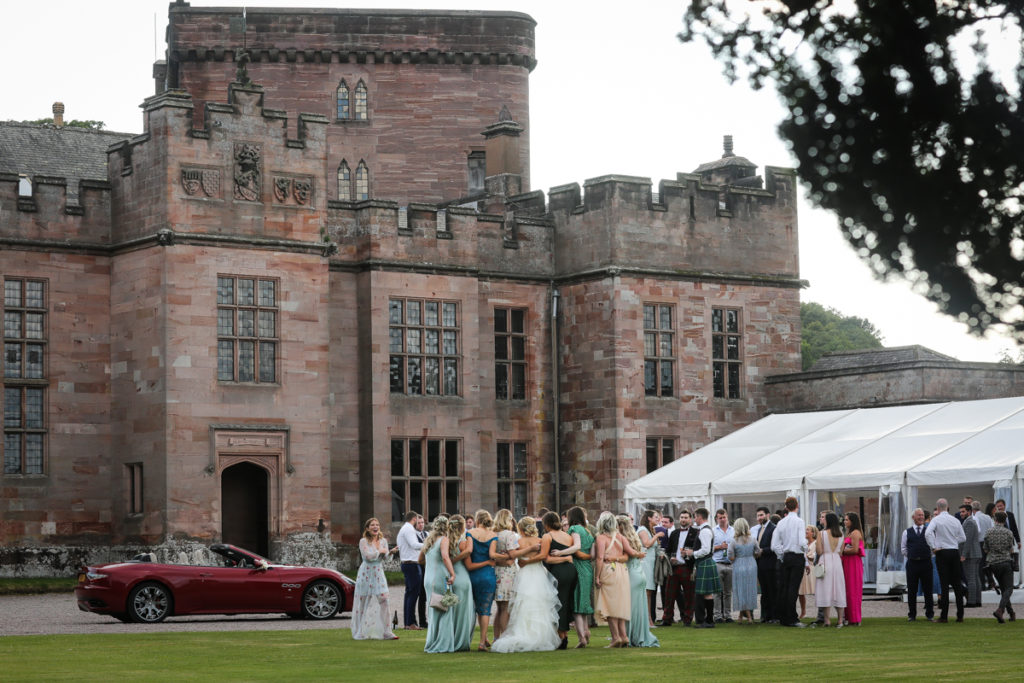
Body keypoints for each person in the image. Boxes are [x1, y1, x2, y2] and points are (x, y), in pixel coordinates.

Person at [491, 516, 562, 652]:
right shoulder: (540, 541)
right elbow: (543, 556)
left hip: (524, 573)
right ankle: (540, 636)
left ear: (520, 528)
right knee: (539, 603)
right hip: (538, 574)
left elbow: (514, 555)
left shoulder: (519, 541)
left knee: (523, 603)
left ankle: (522, 633)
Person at [550, 505, 595, 647]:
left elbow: (576, 546)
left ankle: (582, 637)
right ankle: (586, 632)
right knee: (584, 602)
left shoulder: (575, 529)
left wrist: (560, 553)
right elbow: (592, 554)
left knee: (576, 603)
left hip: (578, 567)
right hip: (587, 567)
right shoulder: (588, 531)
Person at [351, 517, 399, 640]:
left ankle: (387, 631)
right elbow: (367, 556)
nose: (375, 526)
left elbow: (385, 558)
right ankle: (359, 631)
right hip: (366, 572)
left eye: (377, 524)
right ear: (367, 528)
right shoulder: (363, 541)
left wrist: (390, 553)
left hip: (378, 572)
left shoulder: (383, 541)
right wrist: (380, 552)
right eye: (372, 525)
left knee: (384, 600)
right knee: (363, 602)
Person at [465, 509, 506, 651]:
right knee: (485, 609)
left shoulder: (470, 533)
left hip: (473, 574)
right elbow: (491, 554)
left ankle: (484, 639)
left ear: (477, 520)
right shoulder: (492, 535)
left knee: (477, 608)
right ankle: (482, 641)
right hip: (488, 575)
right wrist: (505, 557)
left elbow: (469, 554)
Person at [535, 511, 577, 649]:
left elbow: (545, 558)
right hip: (571, 571)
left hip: (558, 572)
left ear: (546, 524)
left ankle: (561, 636)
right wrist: (566, 558)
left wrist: (562, 558)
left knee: (557, 603)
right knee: (565, 602)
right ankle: (563, 634)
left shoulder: (548, 536)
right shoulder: (567, 536)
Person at [617, 515, 659, 647]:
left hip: (631, 574)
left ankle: (629, 635)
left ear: (620, 527)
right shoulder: (634, 537)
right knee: (639, 607)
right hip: (639, 573)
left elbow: (627, 555)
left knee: (630, 607)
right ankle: (637, 633)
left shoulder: (623, 539)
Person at [925, 498, 967, 623]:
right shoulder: (955, 520)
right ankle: (960, 615)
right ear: (947, 507)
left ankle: (944, 615)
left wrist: (933, 546)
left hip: (942, 552)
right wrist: (953, 541)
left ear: (937, 508)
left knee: (944, 585)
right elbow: (963, 537)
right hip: (954, 552)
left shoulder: (936, 520)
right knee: (957, 584)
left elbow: (927, 533)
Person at [421, 515, 458, 653]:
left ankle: (432, 641)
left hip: (428, 578)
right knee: (444, 608)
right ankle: (442, 643)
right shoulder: (444, 539)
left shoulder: (429, 541)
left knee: (434, 610)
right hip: (439, 577)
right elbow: (445, 556)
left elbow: (420, 558)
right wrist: (452, 573)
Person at [594, 511, 630, 647]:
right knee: (620, 604)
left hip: (609, 569)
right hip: (622, 569)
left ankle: (615, 637)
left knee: (608, 604)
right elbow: (627, 555)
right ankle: (624, 636)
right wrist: (617, 558)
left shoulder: (601, 538)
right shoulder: (620, 537)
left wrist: (597, 576)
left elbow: (599, 558)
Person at [770, 496, 807, 627]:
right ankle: (792, 618)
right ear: (797, 506)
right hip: (796, 556)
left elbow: (774, 545)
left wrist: (781, 555)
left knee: (784, 587)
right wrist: (806, 549)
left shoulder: (781, 523)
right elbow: (802, 541)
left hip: (786, 557)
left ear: (786, 507)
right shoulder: (799, 521)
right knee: (793, 588)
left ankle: (783, 617)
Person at [685, 507, 721, 628]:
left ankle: (709, 621)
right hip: (705, 562)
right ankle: (709, 620)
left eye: (695, 517)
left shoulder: (705, 531)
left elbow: (706, 550)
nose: (694, 519)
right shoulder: (705, 529)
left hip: (705, 562)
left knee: (707, 593)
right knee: (707, 593)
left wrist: (692, 553)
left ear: (700, 517)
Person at [662, 509, 698, 626]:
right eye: (682, 517)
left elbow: (698, 550)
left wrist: (689, 554)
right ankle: (667, 619)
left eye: (686, 517)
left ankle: (687, 619)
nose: (683, 519)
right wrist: (670, 557)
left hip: (687, 567)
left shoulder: (696, 532)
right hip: (674, 567)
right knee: (669, 594)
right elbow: (669, 550)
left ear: (690, 519)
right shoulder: (674, 533)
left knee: (689, 595)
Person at [901, 508, 934, 622]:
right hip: (912, 563)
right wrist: (912, 555)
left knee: (928, 589)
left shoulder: (929, 531)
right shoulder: (907, 532)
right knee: (912, 590)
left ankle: (930, 614)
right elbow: (903, 548)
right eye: (919, 515)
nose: (921, 517)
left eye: (922, 515)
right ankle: (912, 614)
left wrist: (925, 555)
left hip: (926, 563)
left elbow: (932, 547)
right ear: (913, 517)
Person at [815, 512, 847, 627]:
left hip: (825, 560)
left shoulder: (822, 533)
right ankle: (840, 620)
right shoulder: (841, 534)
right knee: (838, 589)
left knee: (825, 589)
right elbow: (841, 551)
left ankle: (827, 620)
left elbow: (819, 551)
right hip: (837, 562)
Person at [984, 510, 1016, 623]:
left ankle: (1011, 613)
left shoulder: (988, 532)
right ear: (1004, 520)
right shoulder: (1008, 533)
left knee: (1003, 589)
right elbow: (1011, 549)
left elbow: (986, 549)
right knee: (1009, 588)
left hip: (993, 563)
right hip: (1005, 562)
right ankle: (1000, 610)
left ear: (995, 519)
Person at [492, 508, 519, 641]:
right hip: (507, 574)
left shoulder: (493, 533)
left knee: (499, 608)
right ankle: (505, 638)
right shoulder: (509, 535)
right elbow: (513, 554)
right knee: (505, 608)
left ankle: (496, 637)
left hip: (496, 571)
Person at [396, 510, 425, 631]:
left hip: (408, 563)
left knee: (409, 594)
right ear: (414, 519)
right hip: (411, 564)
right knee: (413, 594)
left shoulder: (404, 529)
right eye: (417, 521)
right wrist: (429, 544)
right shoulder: (408, 529)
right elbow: (414, 544)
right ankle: (411, 623)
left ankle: (408, 622)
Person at [728, 517, 758, 624]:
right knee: (749, 590)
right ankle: (743, 616)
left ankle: (747, 617)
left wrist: (737, 557)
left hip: (739, 565)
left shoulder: (733, 541)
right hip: (751, 565)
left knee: (740, 590)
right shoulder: (753, 539)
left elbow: (730, 556)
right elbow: (758, 551)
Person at [751, 506, 777, 623]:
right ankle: (765, 616)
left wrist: (762, 551)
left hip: (770, 564)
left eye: (761, 515)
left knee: (771, 591)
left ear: (768, 515)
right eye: (757, 516)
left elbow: (774, 547)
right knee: (764, 592)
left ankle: (773, 616)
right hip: (761, 564)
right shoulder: (759, 529)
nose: (759, 518)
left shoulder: (773, 528)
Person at [637, 509, 663, 627]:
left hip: (651, 563)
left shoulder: (651, 530)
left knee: (649, 593)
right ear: (649, 518)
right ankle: (647, 620)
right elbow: (646, 544)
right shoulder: (643, 529)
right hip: (645, 563)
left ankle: (648, 620)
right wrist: (657, 535)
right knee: (646, 592)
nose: (658, 519)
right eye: (656, 517)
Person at [841, 511, 865, 626]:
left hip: (853, 563)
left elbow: (855, 550)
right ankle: (849, 617)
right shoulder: (849, 533)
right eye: (844, 519)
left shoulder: (855, 533)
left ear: (852, 521)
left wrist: (843, 551)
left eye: (847, 520)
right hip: (847, 563)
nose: (845, 522)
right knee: (848, 591)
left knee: (853, 590)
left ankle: (854, 618)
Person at [711, 509, 734, 623]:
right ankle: (717, 615)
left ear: (727, 517)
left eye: (724, 517)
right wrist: (720, 547)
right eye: (720, 518)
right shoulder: (713, 531)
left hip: (730, 563)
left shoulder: (733, 531)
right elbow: (708, 548)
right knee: (717, 592)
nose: (722, 519)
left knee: (728, 592)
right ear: (716, 519)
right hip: (718, 563)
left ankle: (728, 615)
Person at [959, 503, 983, 608]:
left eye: (963, 511)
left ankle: (972, 602)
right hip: (975, 553)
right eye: (961, 512)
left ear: (969, 512)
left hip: (971, 554)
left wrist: (963, 554)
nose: (961, 514)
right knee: (976, 578)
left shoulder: (969, 522)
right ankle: (977, 601)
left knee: (971, 578)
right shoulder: (970, 521)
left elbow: (967, 540)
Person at [798, 525, 817, 620]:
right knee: (800, 591)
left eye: (808, 530)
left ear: (813, 533)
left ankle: (820, 612)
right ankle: (803, 612)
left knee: (817, 590)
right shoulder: (804, 543)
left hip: (813, 568)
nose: (805, 531)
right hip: (803, 568)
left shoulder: (817, 543)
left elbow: (814, 556)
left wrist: (806, 556)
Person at [415, 515, 429, 629]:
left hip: (427, 566)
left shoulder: (427, 534)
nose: (421, 525)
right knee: (422, 596)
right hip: (419, 565)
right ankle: (422, 621)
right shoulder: (413, 535)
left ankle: (427, 620)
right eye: (419, 523)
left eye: (422, 522)